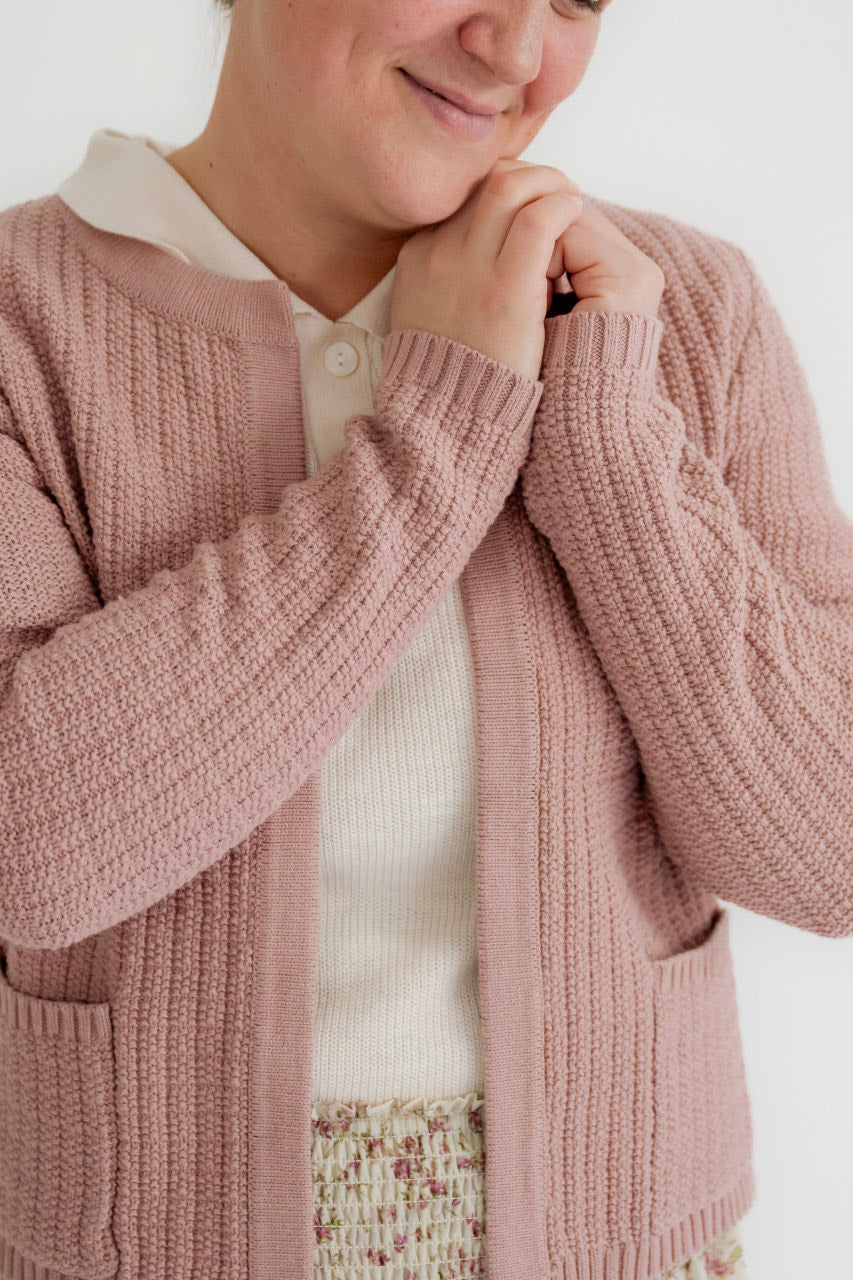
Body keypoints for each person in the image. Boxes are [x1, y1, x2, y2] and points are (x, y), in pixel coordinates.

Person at [1, 0, 851, 1278]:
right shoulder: (22, 322)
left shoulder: (675, 314)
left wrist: (611, 450)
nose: (516, 48)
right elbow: (29, 843)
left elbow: (828, 846)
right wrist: (438, 439)